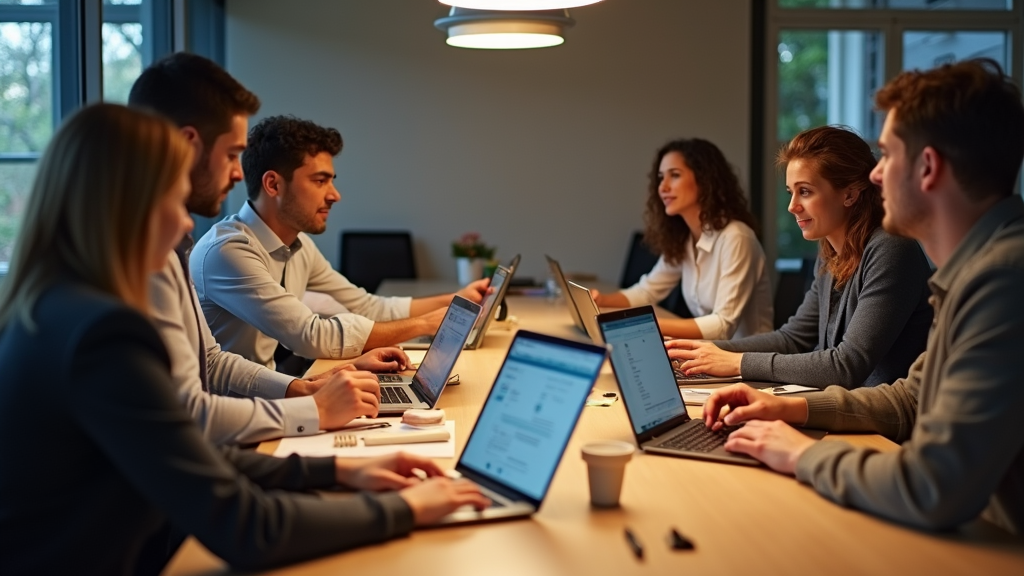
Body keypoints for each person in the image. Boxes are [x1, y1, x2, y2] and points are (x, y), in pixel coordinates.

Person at [0, 103, 489, 575]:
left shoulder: (51, 312)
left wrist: (336, 472)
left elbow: (187, 449)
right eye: (172, 199)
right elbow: (247, 527)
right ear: (123, 209)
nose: (186, 223)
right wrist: (404, 510)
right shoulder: (102, 337)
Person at [702, 59, 1024, 534]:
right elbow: (910, 400)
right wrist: (790, 408)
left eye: (888, 156)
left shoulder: (1003, 279)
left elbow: (934, 485)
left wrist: (806, 454)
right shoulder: (976, 270)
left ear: (929, 168)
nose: (875, 177)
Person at [129, 53, 402, 445]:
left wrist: (305, 389)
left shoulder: (173, 249)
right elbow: (188, 413)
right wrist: (313, 410)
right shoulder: (145, 258)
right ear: (187, 146)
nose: (240, 173)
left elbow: (213, 364)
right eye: (229, 155)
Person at [190, 115, 488, 369]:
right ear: (273, 184)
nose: (334, 195)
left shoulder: (299, 245)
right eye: (320, 181)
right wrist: (426, 325)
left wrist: (456, 301)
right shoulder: (228, 251)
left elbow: (366, 306)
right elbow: (311, 336)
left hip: (268, 400)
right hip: (229, 424)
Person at [666, 126, 933, 388]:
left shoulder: (892, 249)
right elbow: (792, 339)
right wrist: (703, 352)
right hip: (843, 410)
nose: (792, 206)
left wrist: (737, 362)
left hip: (882, 427)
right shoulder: (831, 252)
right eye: (790, 192)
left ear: (850, 194)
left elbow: (847, 365)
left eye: (805, 191)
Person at [593, 138, 772, 340]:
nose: (663, 187)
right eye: (661, 178)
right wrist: (600, 300)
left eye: (675, 175)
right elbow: (646, 292)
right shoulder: (685, 239)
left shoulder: (736, 237)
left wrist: (649, 325)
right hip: (711, 354)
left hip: (748, 363)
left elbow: (723, 326)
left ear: (705, 181)